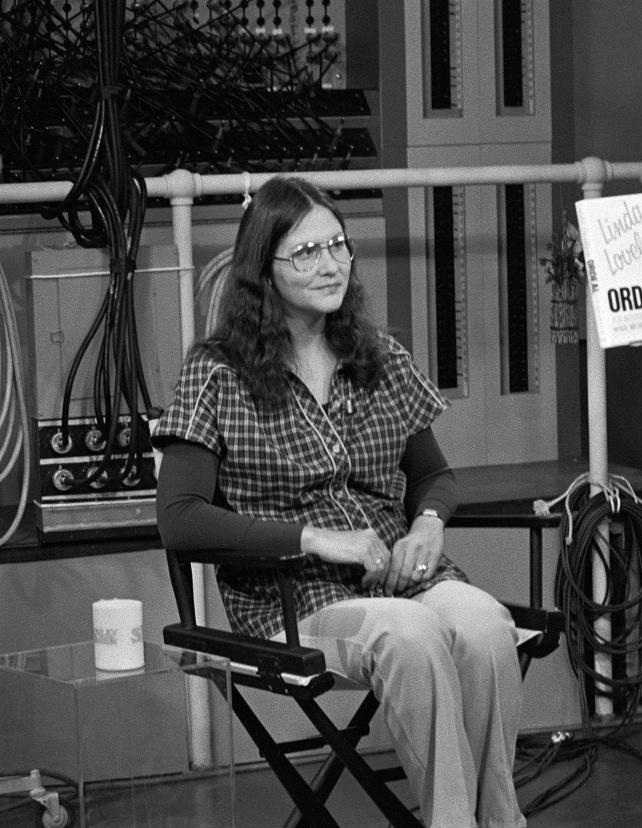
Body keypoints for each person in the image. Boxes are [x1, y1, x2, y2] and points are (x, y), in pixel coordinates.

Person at [153, 176, 526, 828]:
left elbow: (433, 475)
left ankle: (500, 821)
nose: (329, 265)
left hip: (403, 579)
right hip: (293, 603)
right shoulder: (215, 372)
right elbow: (180, 520)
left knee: (485, 625)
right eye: (305, 253)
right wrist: (313, 538)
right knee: (409, 636)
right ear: (261, 269)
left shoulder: (378, 357)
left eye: (338, 246)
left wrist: (430, 526)